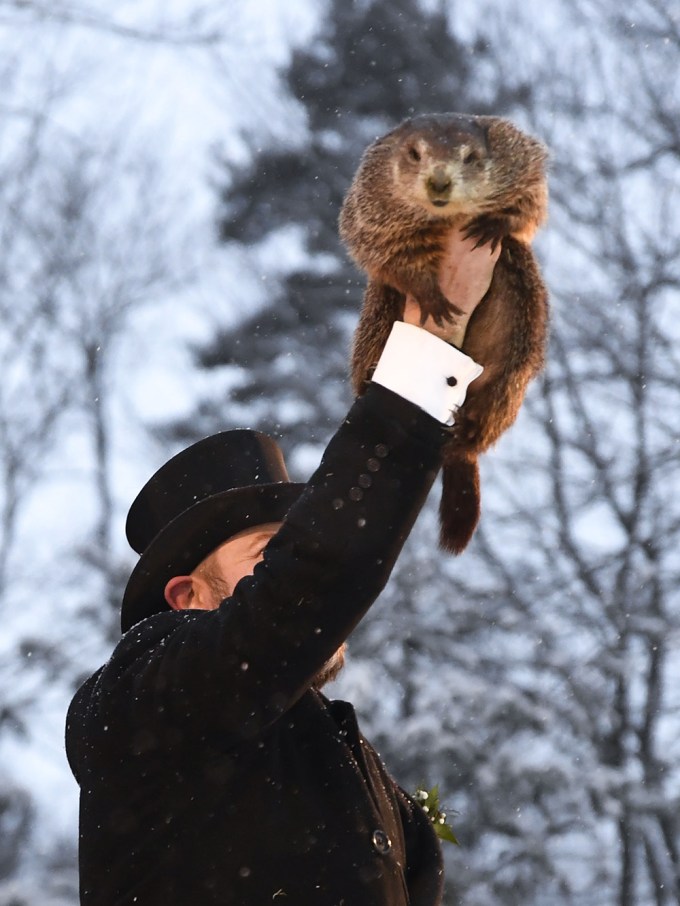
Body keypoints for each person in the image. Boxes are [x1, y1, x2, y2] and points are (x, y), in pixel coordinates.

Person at [66, 229, 500, 905]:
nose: (295, 570)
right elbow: (308, 585)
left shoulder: (368, 779)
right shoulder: (143, 693)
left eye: (293, 550)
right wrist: (429, 352)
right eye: (269, 555)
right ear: (187, 596)